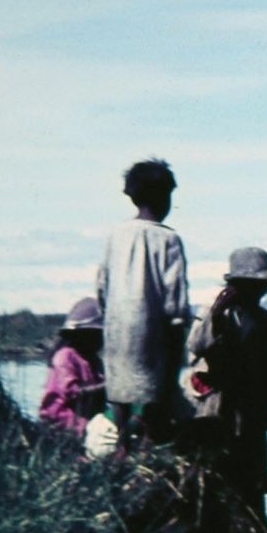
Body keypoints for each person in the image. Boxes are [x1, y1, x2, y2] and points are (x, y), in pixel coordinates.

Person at [186, 246, 267, 533]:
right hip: (217, 414)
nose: (260, 292)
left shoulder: (262, 319)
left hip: (252, 414)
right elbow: (197, 347)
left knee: (255, 482)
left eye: (263, 286)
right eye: (253, 285)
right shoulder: (215, 314)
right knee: (217, 481)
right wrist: (216, 315)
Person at [96, 158, 191, 447]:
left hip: (117, 338)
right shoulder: (168, 239)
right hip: (154, 338)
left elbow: (102, 286)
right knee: (155, 414)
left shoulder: (117, 236)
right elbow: (175, 299)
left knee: (122, 409)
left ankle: (122, 458)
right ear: (166, 197)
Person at [39, 296, 107, 437]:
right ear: (83, 335)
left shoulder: (93, 360)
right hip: (62, 423)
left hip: (85, 421)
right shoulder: (65, 356)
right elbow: (72, 392)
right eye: (97, 335)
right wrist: (108, 386)